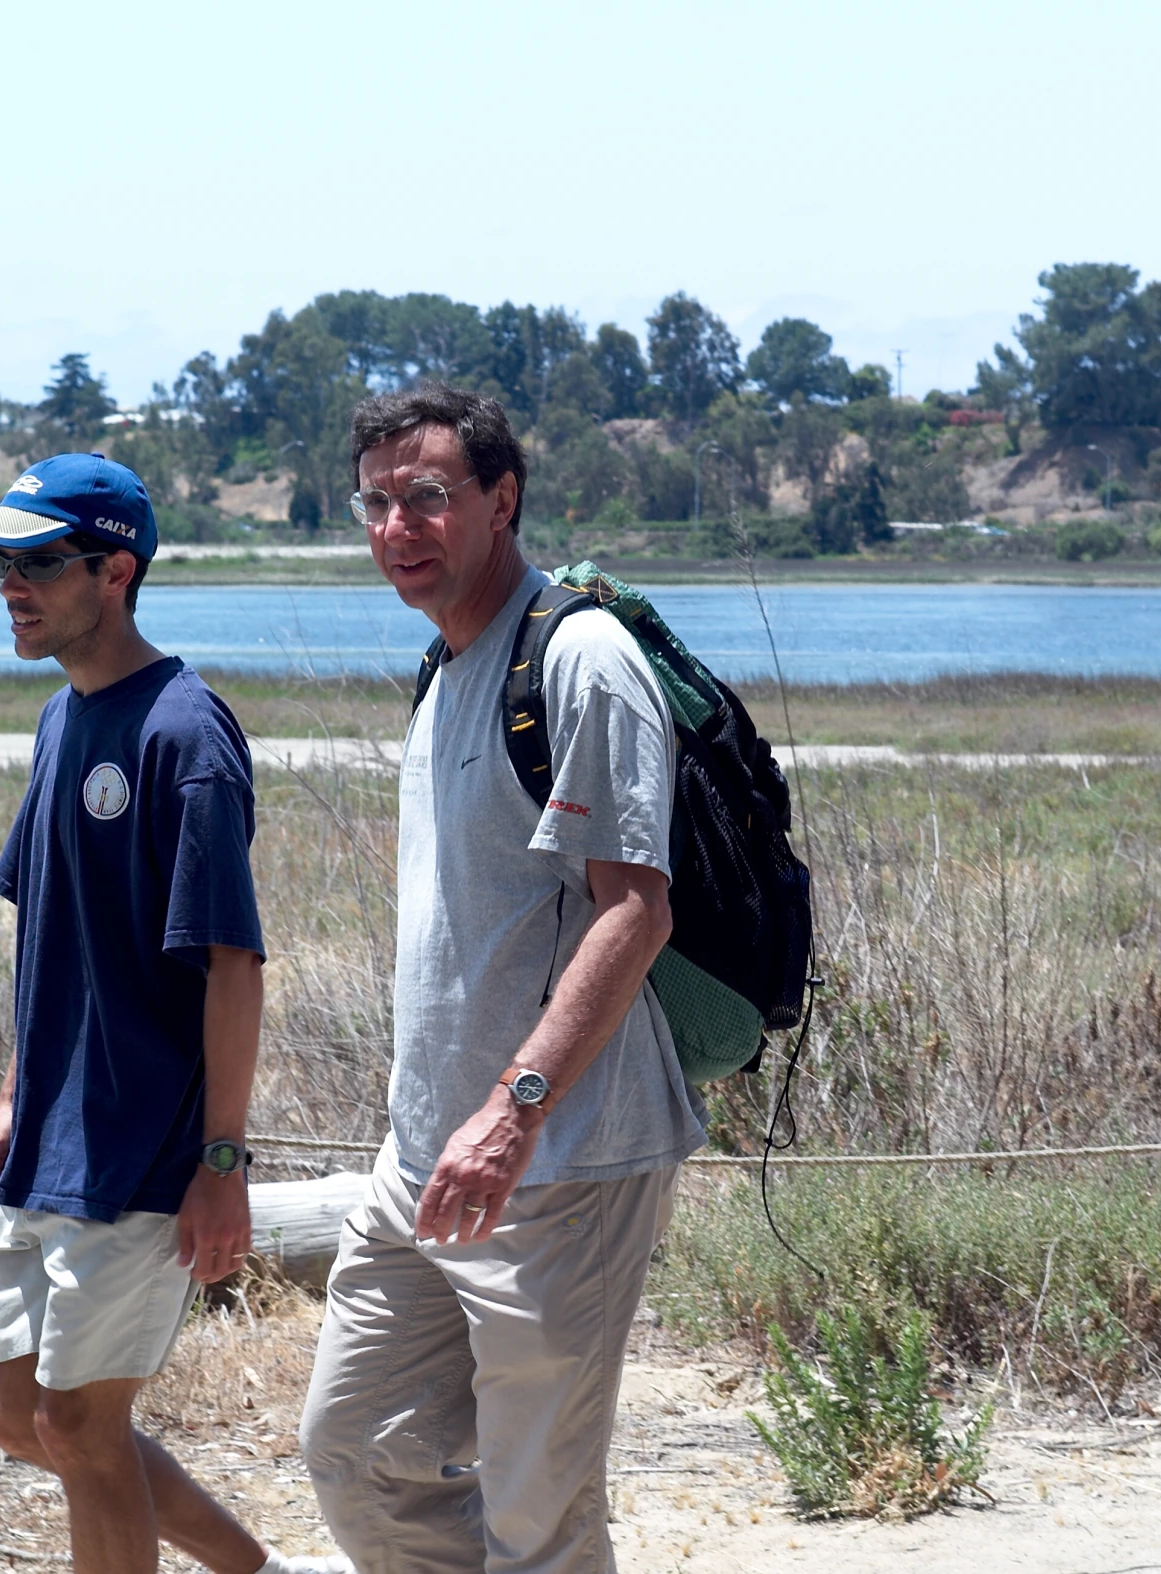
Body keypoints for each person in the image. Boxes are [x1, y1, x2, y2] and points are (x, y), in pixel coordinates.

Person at [298, 387, 703, 1573]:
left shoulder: (578, 658)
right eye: (374, 503)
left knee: (541, 1519)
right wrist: (447, 1129)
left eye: (427, 497)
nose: (396, 528)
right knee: (353, 1451)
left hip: (558, 1164)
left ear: (502, 499)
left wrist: (512, 1108)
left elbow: (636, 909)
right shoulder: (445, 663)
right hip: (421, 1161)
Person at [0, 454, 341, 1574]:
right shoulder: (57, 719)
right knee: (27, 1424)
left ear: (114, 569)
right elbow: (47, 932)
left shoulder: (185, 733)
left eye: (36, 561)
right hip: (47, 1138)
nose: (10, 585)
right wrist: (11, 1092)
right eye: (0, 563)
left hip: (145, 1145)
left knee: (80, 1426)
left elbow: (234, 961)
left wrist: (222, 1157)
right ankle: (258, 1571)